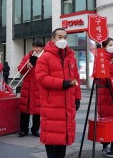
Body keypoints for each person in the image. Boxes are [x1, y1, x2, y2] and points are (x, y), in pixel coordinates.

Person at [35, 28, 81, 158]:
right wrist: (62, 83)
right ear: (53, 39)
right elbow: (41, 78)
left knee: (64, 134)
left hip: (67, 102)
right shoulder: (45, 57)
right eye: (60, 37)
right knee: (50, 134)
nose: (63, 39)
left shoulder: (70, 57)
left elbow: (75, 78)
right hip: (51, 102)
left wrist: (77, 97)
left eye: (65, 37)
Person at [17, 39, 44, 137]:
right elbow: (20, 69)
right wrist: (26, 66)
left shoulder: (44, 57)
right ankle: (23, 130)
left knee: (37, 111)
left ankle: (35, 130)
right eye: (34, 46)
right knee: (25, 110)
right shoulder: (27, 57)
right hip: (27, 87)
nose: (35, 49)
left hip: (38, 87)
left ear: (42, 48)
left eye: (37, 47)